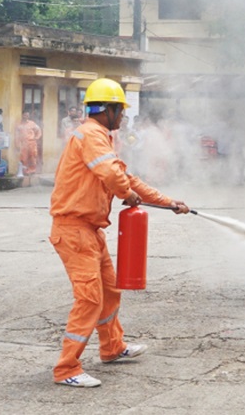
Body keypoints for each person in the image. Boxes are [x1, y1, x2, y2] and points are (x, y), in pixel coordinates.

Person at [49, 78, 190, 388]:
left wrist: (169, 202)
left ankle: (112, 347)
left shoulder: (100, 137)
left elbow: (127, 178)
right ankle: (67, 368)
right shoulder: (91, 134)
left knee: (110, 291)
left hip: (89, 230)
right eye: (121, 111)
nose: (124, 117)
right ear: (107, 110)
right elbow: (114, 176)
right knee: (90, 298)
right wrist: (125, 193)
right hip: (73, 229)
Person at [16, 109, 42, 175]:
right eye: (25, 115)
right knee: (23, 158)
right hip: (23, 144)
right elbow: (17, 135)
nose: (26, 116)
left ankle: (32, 171)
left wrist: (36, 138)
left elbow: (38, 130)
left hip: (32, 143)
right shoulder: (19, 124)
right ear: (22, 115)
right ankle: (25, 172)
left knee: (32, 157)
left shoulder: (32, 123)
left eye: (27, 115)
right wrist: (17, 144)